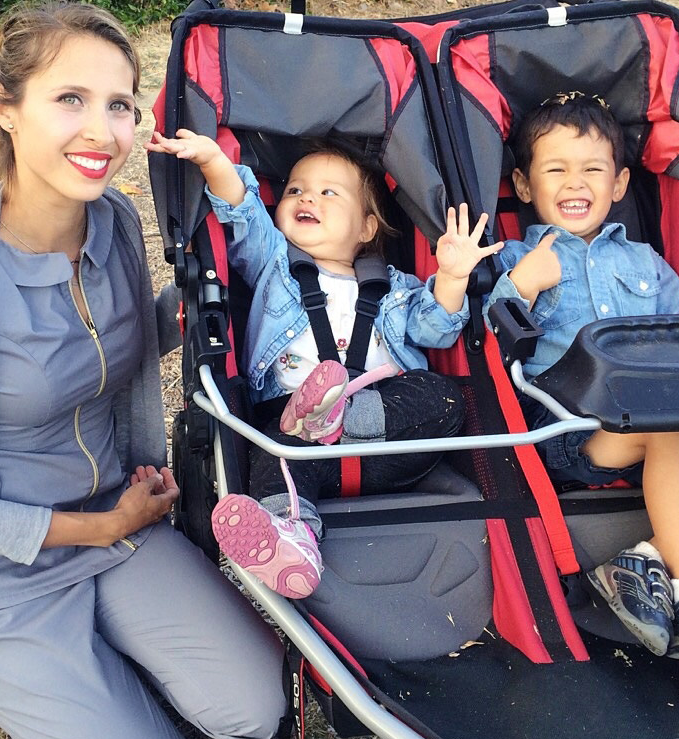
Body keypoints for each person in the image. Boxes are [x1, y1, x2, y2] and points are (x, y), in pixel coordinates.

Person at [0, 1, 284, 739]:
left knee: (257, 713)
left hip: (118, 522)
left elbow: (126, 338)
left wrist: (220, 297)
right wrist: (106, 524)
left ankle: (104, 677)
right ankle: (1, 671)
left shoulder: (116, 224)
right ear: (7, 110)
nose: (101, 132)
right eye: (70, 99)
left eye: (120, 105)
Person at [485, 91, 679, 661]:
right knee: (670, 417)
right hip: (569, 428)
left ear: (620, 183)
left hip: (655, 411)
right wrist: (521, 287)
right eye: (555, 169)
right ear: (525, 185)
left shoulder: (647, 263)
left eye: (592, 169)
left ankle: (643, 562)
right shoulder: (513, 258)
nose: (575, 182)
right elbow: (488, 337)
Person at [147, 129, 501, 599]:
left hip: (385, 446)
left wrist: (453, 278)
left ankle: (337, 414)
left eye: (328, 192)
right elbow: (244, 212)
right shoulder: (274, 263)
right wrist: (214, 161)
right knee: (272, 451)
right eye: (295, 189)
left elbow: (435, 330)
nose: (306, 197)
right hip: (295, 436)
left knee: (443, 396)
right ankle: (293, 540)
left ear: (367, 228)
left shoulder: (397, 287)